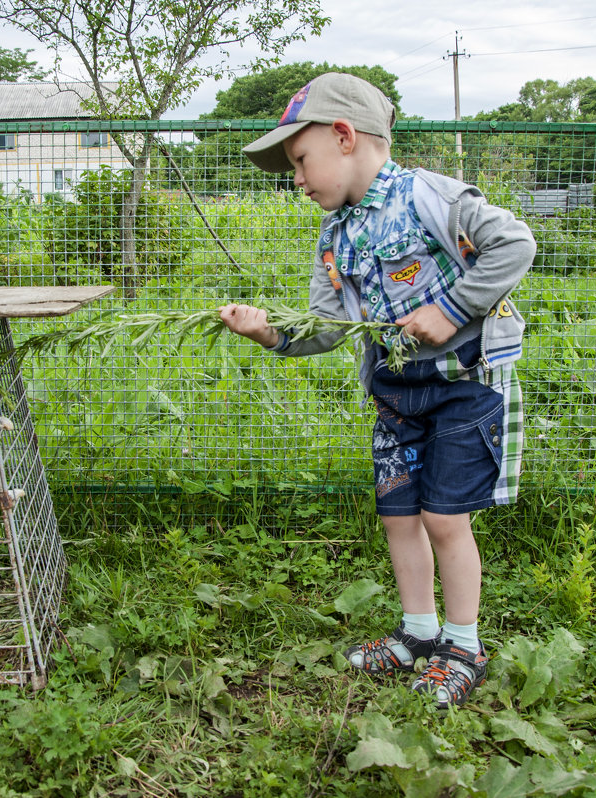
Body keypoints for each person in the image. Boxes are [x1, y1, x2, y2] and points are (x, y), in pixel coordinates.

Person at [218, 72, 534, 709]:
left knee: (445, 518)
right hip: (395, 395)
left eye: (300, 162)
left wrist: (450, 310)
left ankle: (463, 644)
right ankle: (418, 633)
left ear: (343, 137)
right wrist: (270, 334)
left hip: (461, 388)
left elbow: (515, 243)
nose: (298, 180)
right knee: (399, 517)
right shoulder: (334, 237)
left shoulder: (429, 198)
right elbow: (327, 329)